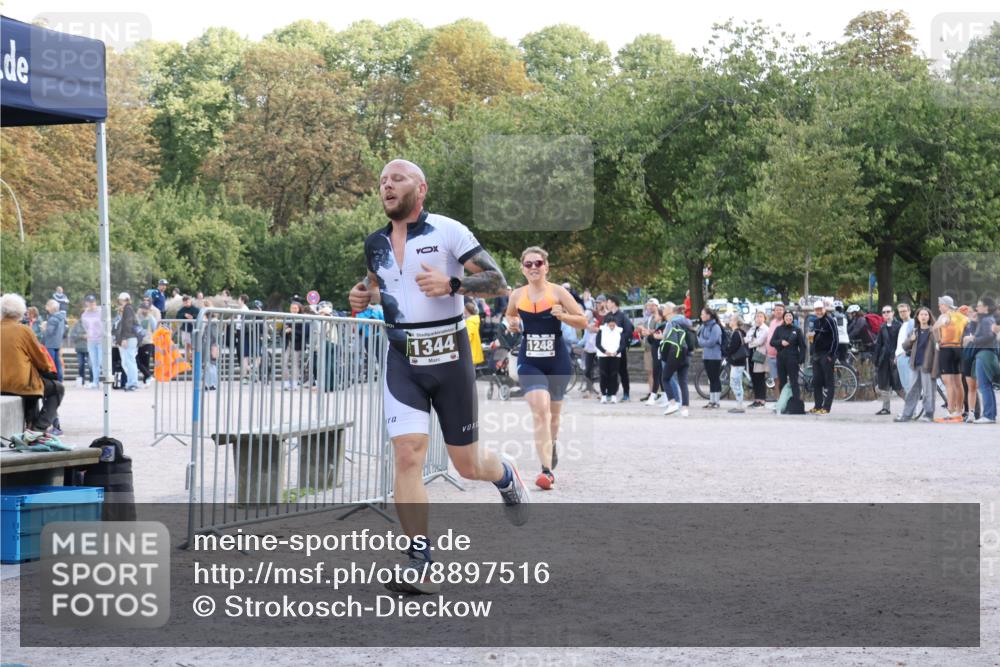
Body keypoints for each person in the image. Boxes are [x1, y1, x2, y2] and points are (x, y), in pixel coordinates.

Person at [347, 158, 528, 594]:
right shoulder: (375, 243)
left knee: (467, 465)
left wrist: (454, 286)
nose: (387, 186)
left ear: (420, 189)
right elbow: (379, 284)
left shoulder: (448, 231)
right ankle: (420, 563)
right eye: (382, 181)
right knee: (407, 455)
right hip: (402, 358)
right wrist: (360, 294)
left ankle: (505, 475)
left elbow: (498, 282)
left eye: (397, 179)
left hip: (448, 357)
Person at [505, 247, 587, 489]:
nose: (533, 267)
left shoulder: (558, 292)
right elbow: (510, 316)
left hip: (557, 361)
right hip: (529, 360)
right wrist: (513, 324)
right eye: (528, 264)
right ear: (522, 268)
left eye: (538, 263)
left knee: (553, 417)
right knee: (540, 410)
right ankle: (546, 472)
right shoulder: (517, 295)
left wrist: (563, 317)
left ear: (546, 267)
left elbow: (582, 320)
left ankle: (552, 445)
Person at [1, 294, 64, 444]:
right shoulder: (24, 330)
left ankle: (32, 426)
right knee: (57, 388)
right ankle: (38, 428)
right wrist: (48, 371)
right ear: (21, 312)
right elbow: (40, 358)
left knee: (35, 385)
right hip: (19, 384)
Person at [895, 306, 938, 422]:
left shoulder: (933, 331)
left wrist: (936, 368)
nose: (923, 317)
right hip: (915, 365)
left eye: (926, 315)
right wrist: (911, 340)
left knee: (928, 391)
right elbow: (904, 346)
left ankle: (929, 414)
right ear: (917, 317)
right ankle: (907, 414)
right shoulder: (914, 331)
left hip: (927, 366)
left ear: (929, 317)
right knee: (912, 391)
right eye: (921, 315)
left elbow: (937, 350)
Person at [932, 295, 967, 423]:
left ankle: (950, 411)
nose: (939, 307)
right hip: (959, 349)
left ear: (946, 305)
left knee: (948, 382)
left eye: (940, 304)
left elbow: (936, 326)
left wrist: (939, 327)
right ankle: (959, 411)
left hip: (947, 349)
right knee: (958, 382)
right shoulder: (961, 316)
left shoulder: (945, 315)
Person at [657, 304, 694, 417]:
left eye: (665, 308)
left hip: (674, 353)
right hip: (686, 354)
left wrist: (660, 336)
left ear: (670, 311)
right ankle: (685, 409)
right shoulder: (686, 321)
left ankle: (672, 403)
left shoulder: (671, 322)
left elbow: (666, 336)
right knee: (683, 381)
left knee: (665, 378)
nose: (662, 310)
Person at [969, 297, 997, 424]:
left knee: (985, 386)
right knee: (986, 386)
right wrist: (974, 322)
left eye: (979, 305)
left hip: (984, 354)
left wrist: (972, 340)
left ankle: (988, 415)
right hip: (985, 354)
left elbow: (987, 337)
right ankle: (990, 414)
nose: (977, 308)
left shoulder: (986, 320)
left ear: (986, 307)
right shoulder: (986, 319)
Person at [770, 309, 806, 407]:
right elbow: (772, 342)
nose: (788, 318)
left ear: (792, 318)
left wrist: (801, 360)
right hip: (781, 358)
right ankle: (783, 402)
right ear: (784, 318)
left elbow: (803, 346)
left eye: (790, 316)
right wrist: (781, 342)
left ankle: (796, 402)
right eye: (787, 316)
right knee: (782, 382)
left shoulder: (797, 330)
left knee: (794, 381)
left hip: (793, 358)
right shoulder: (779, 329)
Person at [809, 300, 839, 415]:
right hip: (817, 354)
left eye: (820, 309)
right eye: (817, 310)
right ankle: (817, 406)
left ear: (824, 309)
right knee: (817, 381)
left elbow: (836, 338)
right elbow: (814, 337)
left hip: (827, 354)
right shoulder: (816, 322)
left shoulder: (830, 320)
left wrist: (831, 355)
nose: (819, 312)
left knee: (829, 381)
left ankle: (826, 407)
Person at [606, 296, 633, 401]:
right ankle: (611, 392)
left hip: (619, 349)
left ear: (613, 303)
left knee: (622, 372)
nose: (606, 304)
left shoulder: (622, 316)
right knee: (609, 371)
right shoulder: (607, 316)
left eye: (608, 302)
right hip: (608, 350)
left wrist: (620, 342)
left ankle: (626, 393)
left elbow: (629, 330)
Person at [698, 307, 724, 408]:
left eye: (702, 314)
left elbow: (711, 342)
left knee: (715, 378)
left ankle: (716, 401)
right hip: (706, 356)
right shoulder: (703, 326)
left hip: (715, 356)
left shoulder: (716, 327)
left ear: (708, 315)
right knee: (710, 378)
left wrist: (702, 341)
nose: (701, 316)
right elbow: (698, 338)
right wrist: (703, 341)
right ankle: (711, 401)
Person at [114, 293, 140, 392]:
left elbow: (127, 325)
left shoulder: (127, 309)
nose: (120, 302)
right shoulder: (129, 309)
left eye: (120, 300)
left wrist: (124, 338)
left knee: (130, 360)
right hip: (131, 337)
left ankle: (133, 383)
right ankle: (131, 382)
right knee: (130, 360)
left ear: (123, 300)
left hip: (129, 337)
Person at [724, 313, 749, 413]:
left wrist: (726, 351)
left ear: (735, 322)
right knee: (737, 382)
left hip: (737, 361)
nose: (729, 321)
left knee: (734, 383)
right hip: (739, 361)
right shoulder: (741, 332)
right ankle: (739, 404)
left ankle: (739, 405)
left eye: (731, 320)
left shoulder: (736, 333)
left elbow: (733, 348)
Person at [639, 298, 662, 404]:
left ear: (657, 306)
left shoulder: (659, 317)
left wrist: (648, 332)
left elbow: (659, 330)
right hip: (648, 347)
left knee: (656, 371)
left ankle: (658, 392)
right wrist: (642, 331)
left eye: (653, 305)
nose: (650, 307)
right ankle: (651, 392)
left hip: (656, 347)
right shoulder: (648, 318)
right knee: (649, 371)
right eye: (649, 305)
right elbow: (644, 330)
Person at [745, 310, 769, 408]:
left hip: (760, 354)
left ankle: (762, 400)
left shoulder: (765, 329)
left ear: (764, 318)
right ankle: (756, 399)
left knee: (760, 377)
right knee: (754, 377)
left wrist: (751, 341)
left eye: (761, 317)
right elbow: (746, 338)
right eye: (757, 316)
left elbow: (759, 342)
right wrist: (751, 341)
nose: (758, 318)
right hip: (751, 354)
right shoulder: (752, 328)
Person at [596, 316, 622, 404]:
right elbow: (598, 343)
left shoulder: (619, 330)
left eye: (613, 325)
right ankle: (604, 395)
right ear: (607, 324)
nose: (612, 327)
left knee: (614, 375)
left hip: (615, 356)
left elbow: (622, 344)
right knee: (603, 375)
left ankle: (613, 395)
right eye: (610, 325)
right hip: (603, 356)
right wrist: (605, 351)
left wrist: (617, 351)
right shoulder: (601, 330)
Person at [41, 299, 67, 382]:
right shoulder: (61, 318)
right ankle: (59, 380)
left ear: (51, 308)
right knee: (57, 364)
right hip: (57, 343)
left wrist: (43, 328)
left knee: (50, 364)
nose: (46, 309)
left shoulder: (52, 319)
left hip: (50, 344)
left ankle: (52, 381)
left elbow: (49, 333)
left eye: (47, 307)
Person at [80, 295, 103, 388]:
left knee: (101, 361)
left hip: (101, 340)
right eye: (89, 302)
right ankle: (95, 381)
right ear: (86, 303)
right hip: (91, 340)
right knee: (94, 362)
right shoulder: (84, 314)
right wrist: (87, 333)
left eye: (93, 302)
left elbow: (106, 324)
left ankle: (105, 379)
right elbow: (85, 327)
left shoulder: (101, 311)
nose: (91, 304)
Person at [765, 303, 786, 394]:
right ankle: (778, 401)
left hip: (780, 356)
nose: (778, 311)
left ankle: (784, 400)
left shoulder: (785, 322)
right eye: (776, 310)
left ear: (784, 311)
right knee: (775, 379)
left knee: (782, 379)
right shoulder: (772, 322)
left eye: (780, 310)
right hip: (770, 356)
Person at [136, 301, 159, 385]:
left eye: (146, 309)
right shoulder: (136, 317)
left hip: (148, 342)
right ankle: (149, 376)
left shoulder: (151, 318)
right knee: (138, 361)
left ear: (149, 310)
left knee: (145, 362)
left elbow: (155, 329)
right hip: (138, 343)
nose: (145, 310)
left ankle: (146, 380)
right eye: (143, 308)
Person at [894, 303, 914, 393]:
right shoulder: (902, 325)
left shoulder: (912, 323)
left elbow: (915, 340)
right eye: (900, 312)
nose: (902, 313)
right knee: (906, 385)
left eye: (904, 311)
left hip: (906, 357)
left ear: (909, 311)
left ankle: (914, 407)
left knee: (909, 385)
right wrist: (896, 356)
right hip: (900, 357)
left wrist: (908, 352)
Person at [69, 316, 90, 386]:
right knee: (81, 364)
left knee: (91, 365)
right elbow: (72, 335)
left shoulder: (92, 323)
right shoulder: (77, 325)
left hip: (89, 348)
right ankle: (81, 379)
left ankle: (92, 380)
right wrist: (81, 336)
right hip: (79, 348)